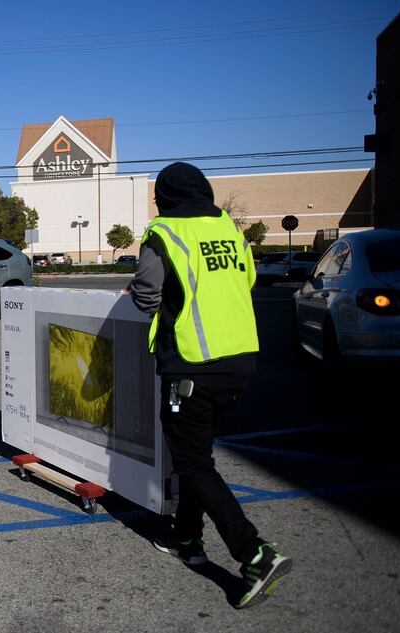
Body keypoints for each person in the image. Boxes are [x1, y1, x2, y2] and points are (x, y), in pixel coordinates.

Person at [125, 162, 291, 609]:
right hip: (239, 361)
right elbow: (248, 280)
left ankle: (254, 553)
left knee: (195, 463)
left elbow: (145, 298)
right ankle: (187, 539)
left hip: (192, 367)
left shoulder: (163, 233)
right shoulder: (228, 228)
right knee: (194, 455)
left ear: (163, 197)